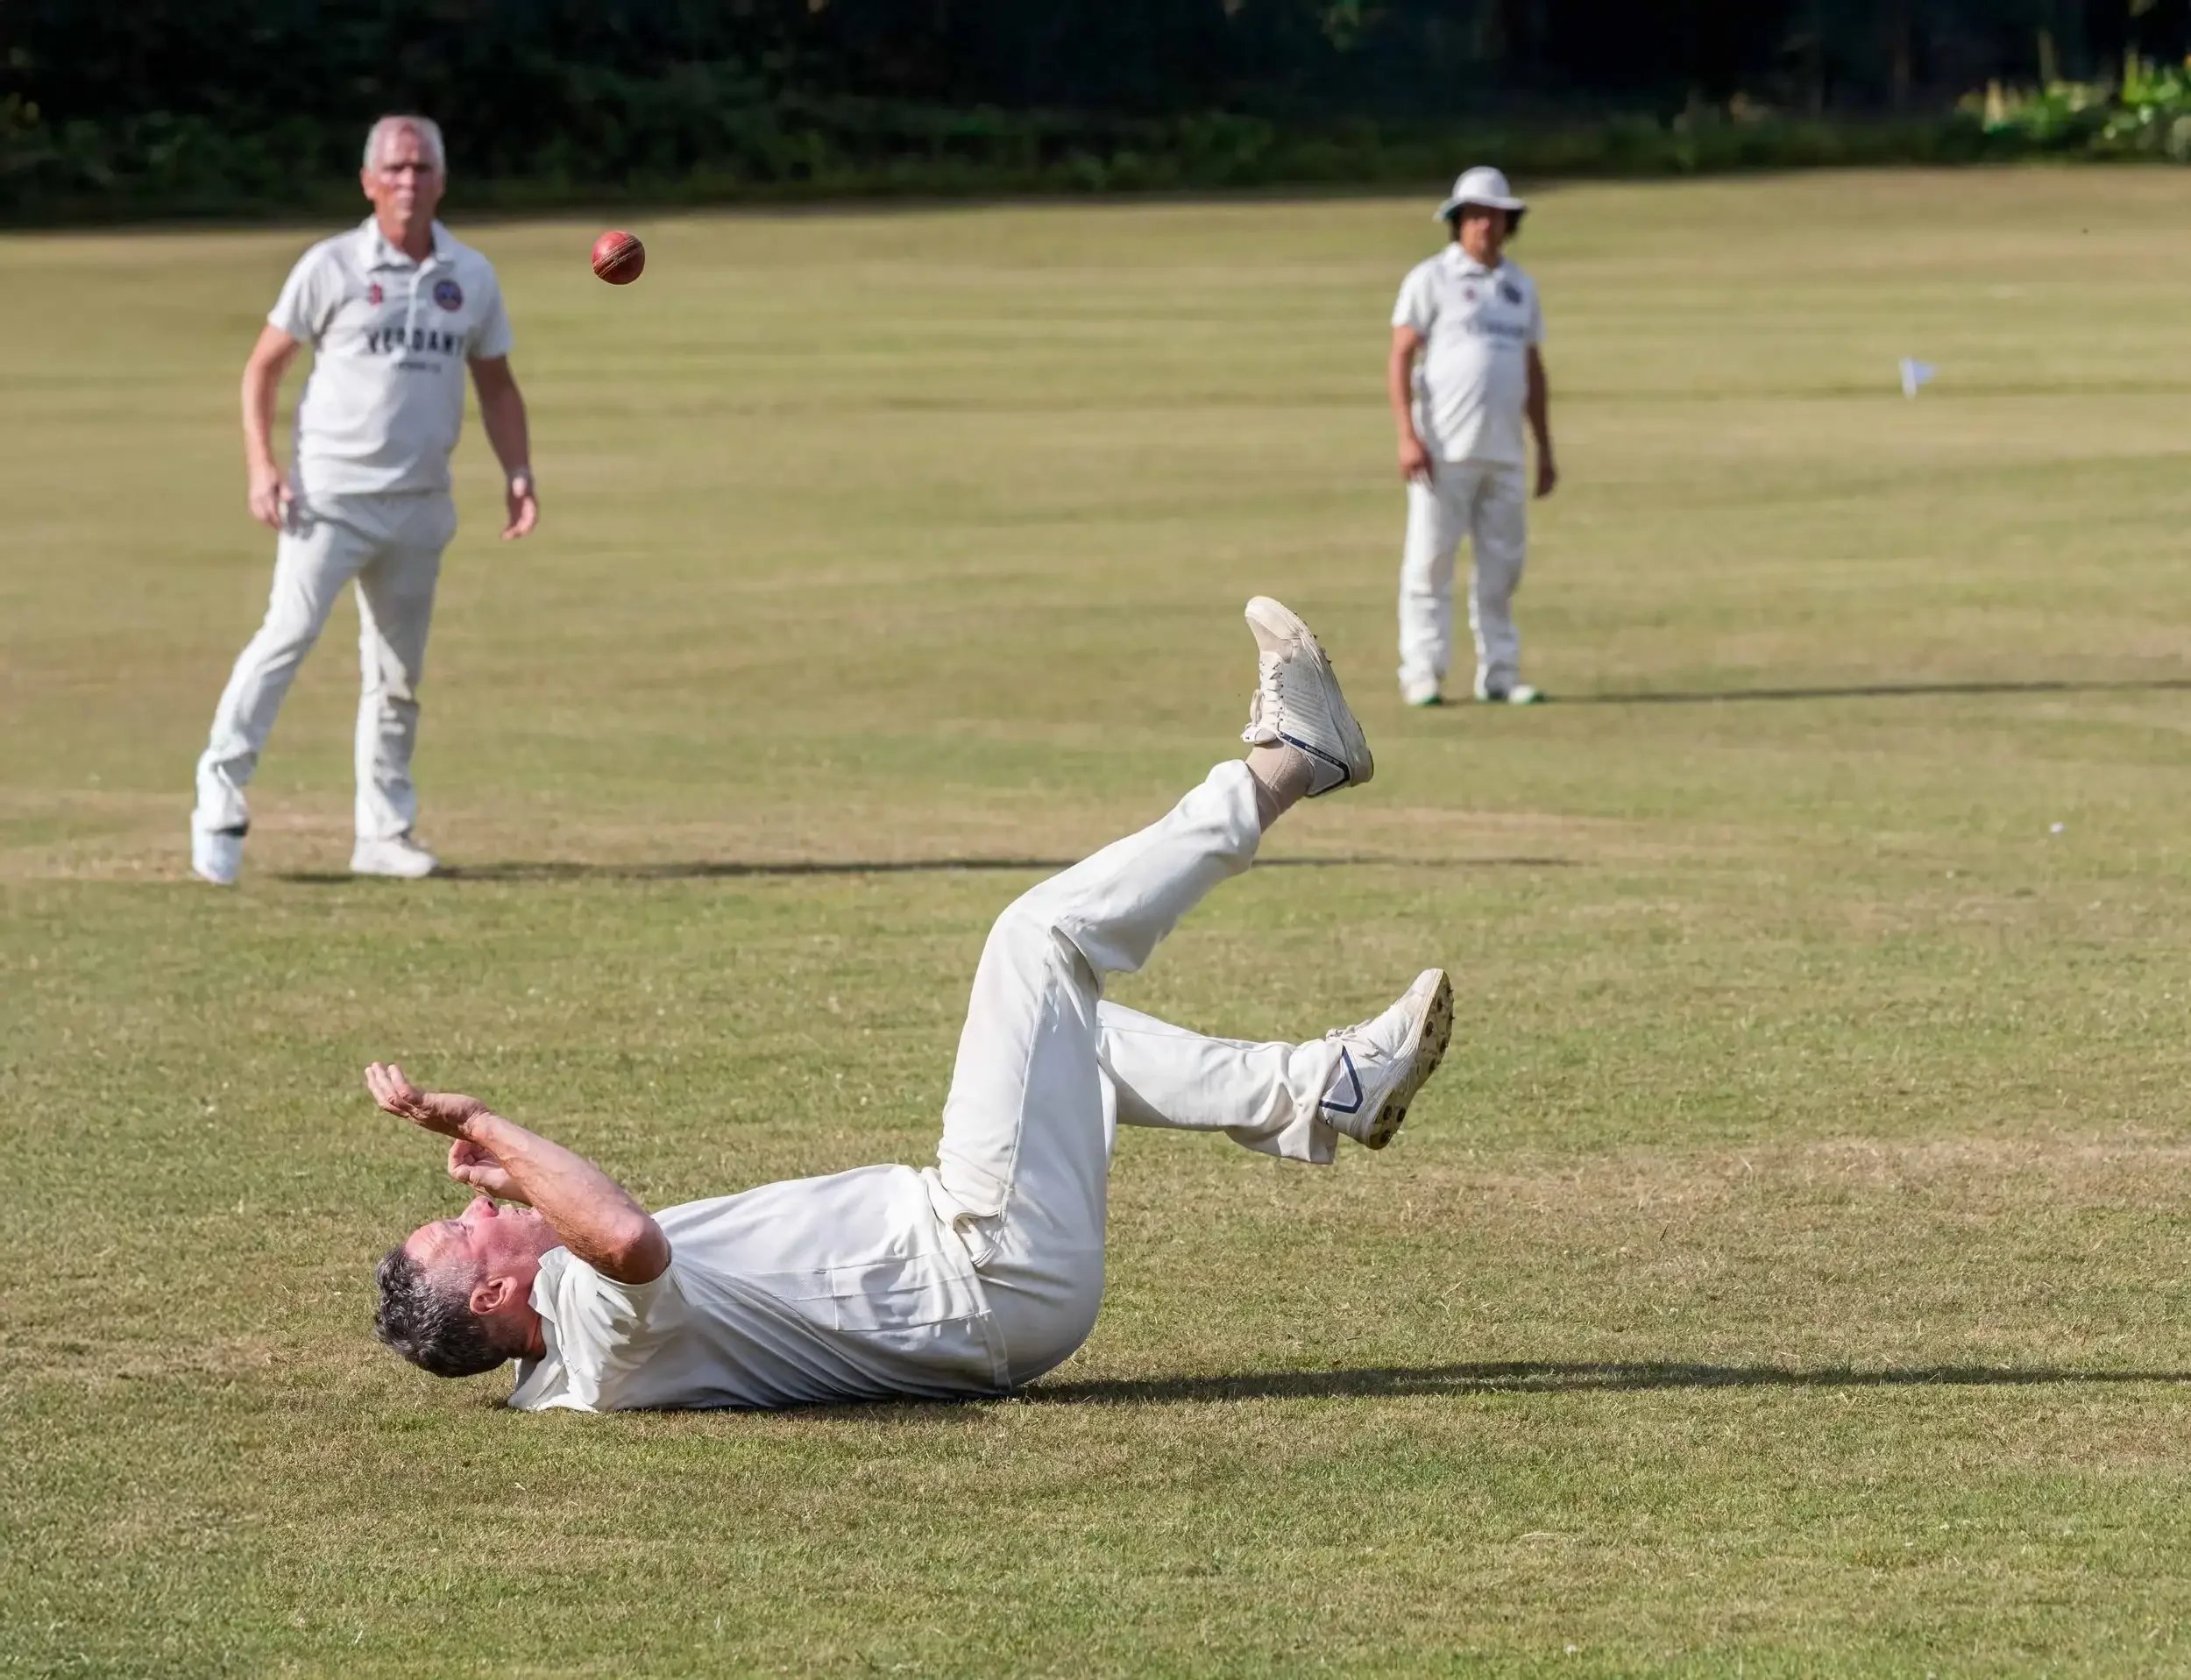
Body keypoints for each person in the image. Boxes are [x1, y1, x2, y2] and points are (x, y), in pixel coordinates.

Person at [367, 599, 1457, 1411]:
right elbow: (624, 1237)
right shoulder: (592, 1323)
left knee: (1067, 1042)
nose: (472, 1210)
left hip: (991, 1281)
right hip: (982, 1265)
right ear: (489, 1303)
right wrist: (482, 1122)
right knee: (1033, 941)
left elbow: (604, 1229)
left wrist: (518, 1179)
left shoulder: (580, 1347)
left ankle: (1330, 1089)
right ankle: (1289, 765)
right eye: (460, 1234)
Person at [189, 114, 539, 886]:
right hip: (328, 500)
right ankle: (219, 790)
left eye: (422, 168)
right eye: (396, 168)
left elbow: (497, 384)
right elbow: (263, 369)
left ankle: (382, 832)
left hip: (419, 503)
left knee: (396, 675)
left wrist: (517, 469)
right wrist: (261, 465)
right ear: (369, 182)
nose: (409, 181)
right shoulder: (333, 266)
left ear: (442, 181)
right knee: (285, 639)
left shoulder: (469, 276)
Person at [1387, 166, 1558, 709]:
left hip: (1504, 452)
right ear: (1458, 221)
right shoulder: (1431, 278)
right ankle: (1423, 673)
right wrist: (1407, 435)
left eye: (1495, 216)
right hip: (1442, 452)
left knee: (1502, 569)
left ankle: (1500, 674)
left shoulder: (1519, 287)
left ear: (1509, 223)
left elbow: (1533, 371)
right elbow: (1400, 355)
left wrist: (1545, 448)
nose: (1485, 225)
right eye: (1475, 215)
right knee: (1430, 565)